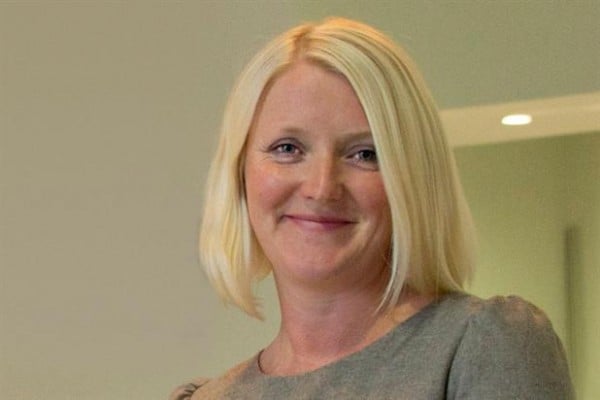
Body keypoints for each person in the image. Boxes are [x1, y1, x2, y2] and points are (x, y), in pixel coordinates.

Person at [171, 17, 573, 399]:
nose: (321, 188)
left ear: (414, 178)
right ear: (239, 170)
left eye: (364, 154)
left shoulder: (485, 348)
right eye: (287, 148)